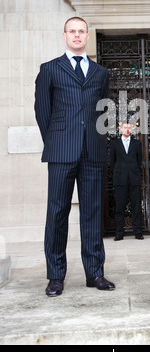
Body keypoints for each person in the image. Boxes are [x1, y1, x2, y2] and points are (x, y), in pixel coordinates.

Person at [35, 16, 115, 297]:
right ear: (65, 35)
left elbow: (102, 112)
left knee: (92, 213)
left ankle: (95, 273)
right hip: (61, 151)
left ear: (87, 36)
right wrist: (56, 141)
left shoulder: (100, 73)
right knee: (57, 212)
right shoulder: (50, 69)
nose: (77, 35)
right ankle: (56, 276)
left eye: (82, 31)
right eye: (73, 31)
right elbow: (43, 112)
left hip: (92, 151)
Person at [110, 123, 144, 241]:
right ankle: (119, 232)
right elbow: (112, 162)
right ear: (120, 129)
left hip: (134, 179)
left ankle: (138, 231)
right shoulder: (114, 144)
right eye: (125, 128)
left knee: (136, 206)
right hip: (120, 179)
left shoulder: (137, 143)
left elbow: (139, 160)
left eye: (129, 128)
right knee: (119, 207)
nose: (127, 129)